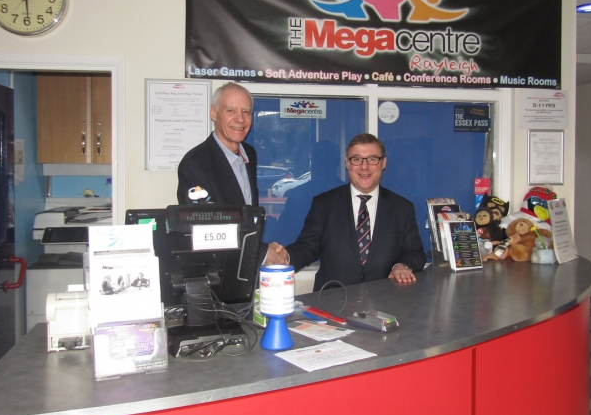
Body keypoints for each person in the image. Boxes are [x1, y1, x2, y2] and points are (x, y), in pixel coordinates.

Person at [269, 133, 425, 290]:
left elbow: (416, 253)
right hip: (333, 304)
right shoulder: (324, 204)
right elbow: (307, 247)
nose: (364, 167)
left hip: (384, 303)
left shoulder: (402, 208)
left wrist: (402, 265)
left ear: (383, 163)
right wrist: (284, 257)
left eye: (372, 159)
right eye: (357, 159)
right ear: (347, 163)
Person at [177, 82, 259, 206]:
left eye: (246, 112)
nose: (240, 119)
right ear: (214, 113)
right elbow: (199, 220)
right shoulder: (195, 163)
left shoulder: (249, 154)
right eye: (231, 111)